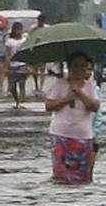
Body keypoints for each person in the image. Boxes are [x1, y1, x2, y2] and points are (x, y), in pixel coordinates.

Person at [42, 51, 101, 185]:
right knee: (60, 175)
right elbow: (49, 106)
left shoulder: (90, 87)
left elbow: (95, 107)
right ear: (69, 67)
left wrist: (80, 93)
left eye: (82, 66)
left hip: (84, 136)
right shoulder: (60, 84)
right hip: (60, 135)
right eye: (75, 66)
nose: (79, 69)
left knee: (82, 177)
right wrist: (67, 98)